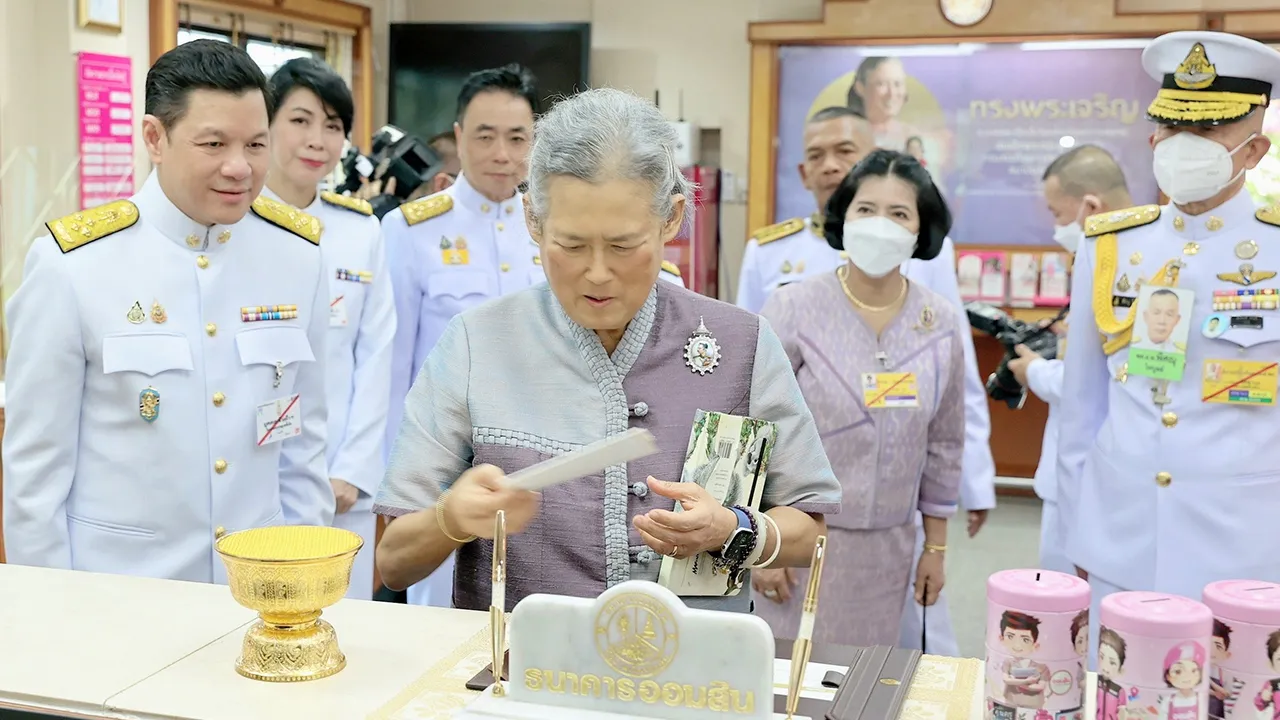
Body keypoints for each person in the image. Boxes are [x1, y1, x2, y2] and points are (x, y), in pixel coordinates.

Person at [373, 87, 842, 613]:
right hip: (519, 672)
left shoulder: (741, 344)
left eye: (623, 245)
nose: (597, 273)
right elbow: (393, 561)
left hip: (694, 676)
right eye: (571, 246)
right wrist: (449, 519)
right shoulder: (476, 343)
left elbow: (812, 531)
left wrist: (734, 529)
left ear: (671, 219)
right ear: (533, 219)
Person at [1, 40, 333, 581]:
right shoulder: (75, 265)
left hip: (257, 594)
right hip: (123, 596)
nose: (239, 167)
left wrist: (307, 584)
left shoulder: (297, 255)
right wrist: (53, 620)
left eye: (255, 144)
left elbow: (302, 444)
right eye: (213, 143)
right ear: (155, 138)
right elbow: (35, 477)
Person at [381, 67, 686, 608]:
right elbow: (392, 368)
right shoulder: (418, 237)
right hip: (458, 474)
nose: (595, 273)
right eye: (570, 246)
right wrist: (434, 505)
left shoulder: (706, 321)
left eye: (516, 137)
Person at [739, 105, 996, 657]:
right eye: (866, 209)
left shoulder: (940, 321)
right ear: (843, 217)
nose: (881, 224)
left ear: (921, 229)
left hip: (891, 546)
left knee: (868, 684)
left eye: (899, 213)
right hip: (800, 540)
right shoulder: (793, 307)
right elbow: (751, 427)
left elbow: (947, 442)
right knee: (789, 686)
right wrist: (759, 544)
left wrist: (938, 549)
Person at [1056, 31, 1280, 660]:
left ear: (1254, 149)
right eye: (1171, 127)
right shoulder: (1109, 246)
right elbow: (1081, 411)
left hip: (1247, 550)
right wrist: (1073, 538)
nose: (1183, 147)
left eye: (1207, 134)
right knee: (1121, 692)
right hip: (1119, 540)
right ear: (1153, 136)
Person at [264, 58, 395, 600]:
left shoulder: (360, 230)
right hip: (260, 480)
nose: (317, 139)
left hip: (343, 485)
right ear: (265, 125)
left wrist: (354, 470)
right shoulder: (231, 226)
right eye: (300, 120)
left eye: (334, 126)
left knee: (343, 625)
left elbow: (377, 356)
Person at [1007, 144, 1132, 577]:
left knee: (1070, 603)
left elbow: (1095, 384)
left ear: (1090, 207)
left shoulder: (1114, 263)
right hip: (1093, 471)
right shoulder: (1124, 257)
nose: (1056, 226)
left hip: (1093, 472)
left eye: (1058, 214)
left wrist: (1034, 371)